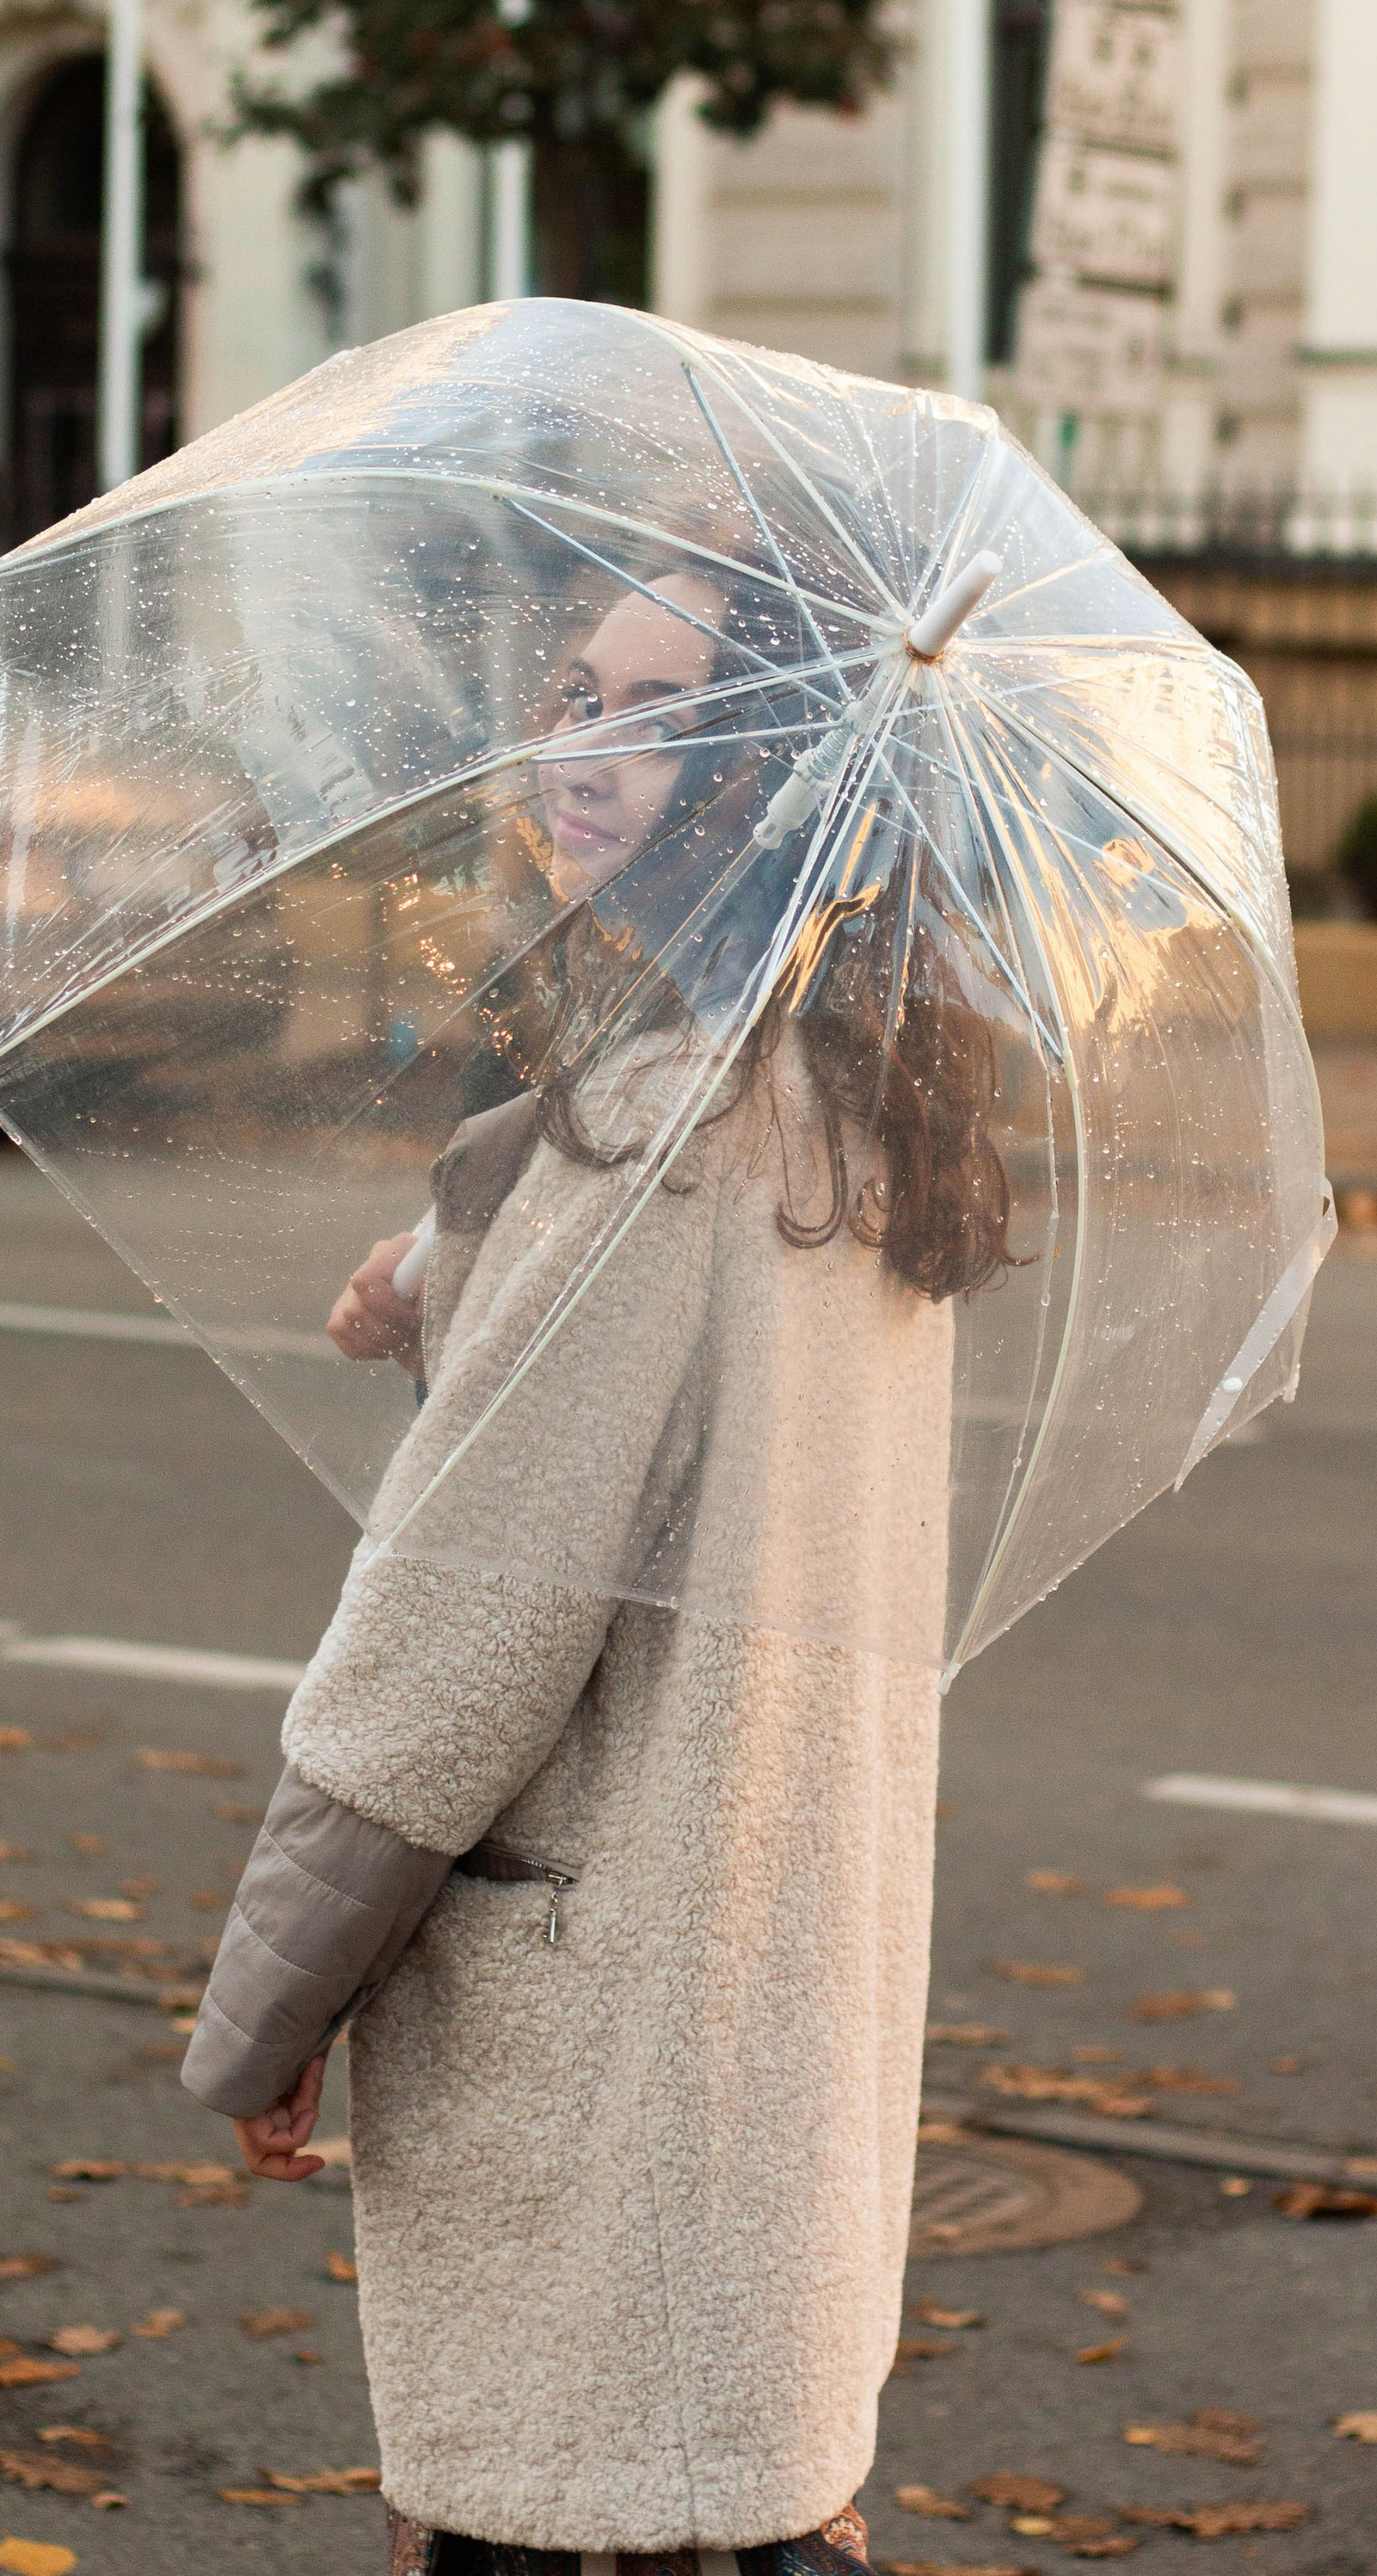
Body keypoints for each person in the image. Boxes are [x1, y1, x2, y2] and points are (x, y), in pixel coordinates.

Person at [181, 555, 1015, 2576]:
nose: (576, 743)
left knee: (579, 2518)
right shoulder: (852, 1108)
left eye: (656, 710)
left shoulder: (651, 1127)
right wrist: (467, 1295)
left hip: (619, 2030)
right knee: (741, 2507)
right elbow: (677, 1497)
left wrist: (266, 2001)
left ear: (764, 783)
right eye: (570, 687)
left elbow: (465, 1628)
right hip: (770, 1982)